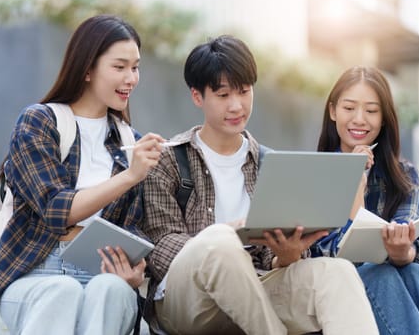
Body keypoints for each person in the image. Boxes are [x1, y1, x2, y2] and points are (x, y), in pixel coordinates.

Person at [139, 35, 379, 335]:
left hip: (258, 289)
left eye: (244, 91)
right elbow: (160, 249)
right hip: (188, 304)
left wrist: (287, 254)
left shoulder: (272, 164)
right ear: (197, 97)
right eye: (223, 95)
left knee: (336, 273)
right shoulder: (168, 159)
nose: (237, 105)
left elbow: (277, 258)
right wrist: (229, 237)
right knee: (220, 241)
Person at [0, 14, 166, 335]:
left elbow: (134, 226)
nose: (131, 78)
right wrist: (129, 176)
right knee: (62, 291)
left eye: (135, 67)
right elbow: (56, 208)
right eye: (119, 67)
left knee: (114, 290)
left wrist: (135, 268)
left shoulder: (130, 141)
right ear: (87, 68)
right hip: (35, 274)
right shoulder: (39, 122)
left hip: (102, 272)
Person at [311, 66, 419, 334]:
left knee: (414, 273)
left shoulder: (404, 176)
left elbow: (413, 248)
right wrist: (355, 182)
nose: (359, 119)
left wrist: (402, 252)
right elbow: (329, 256)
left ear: (384, 118)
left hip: (386, 289)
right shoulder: (315, 173)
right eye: (349, 108)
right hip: (333, 293)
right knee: (380, 276)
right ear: (333, 111)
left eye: (372, 111)